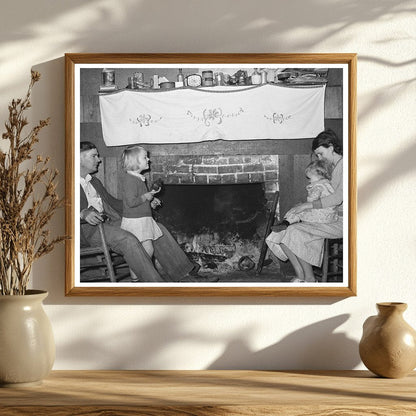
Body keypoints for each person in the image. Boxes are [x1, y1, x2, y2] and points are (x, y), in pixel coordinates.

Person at [79, 141, 218, 283]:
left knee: (157, 229)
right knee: (128, 238)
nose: (98, 159)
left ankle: (184, 275)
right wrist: (81, 213)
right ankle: (155, 285)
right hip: (88, 230)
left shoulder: (94, 181)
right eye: (94, 156)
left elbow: (116, 204)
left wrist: (146, 201)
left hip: (109, 223)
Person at [266, 129, 343, 282]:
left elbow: (338, 198)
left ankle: (309, 278)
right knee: (284, 231)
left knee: (295, 231)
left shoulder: (345, 166)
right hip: (328, 216)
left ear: (331, 147)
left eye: (321, 153)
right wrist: (304, 205)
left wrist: (308, 206)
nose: (319, 158)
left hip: (341, 221)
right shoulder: (334, 167)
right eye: (317, 155)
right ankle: (300, 275)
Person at [119, 145, 163, 264]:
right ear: (135, 161)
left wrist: (150, 200)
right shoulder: (130, 180)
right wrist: (145, 197)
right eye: (145, 157)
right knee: (146, 250)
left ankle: (137, 277)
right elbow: (131, 202)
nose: (148, 159)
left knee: (145, 250)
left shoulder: (138, 178)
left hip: (141, 219)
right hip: (136, 221)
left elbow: (139, 199)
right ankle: (143, 274)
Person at [280, 160, 338, 227]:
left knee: (298, 210)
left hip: (321, 216)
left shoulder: (318, 186)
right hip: (331, 216)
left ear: (319, 175)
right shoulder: (327, 185)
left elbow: (312, 200)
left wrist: (305, 204)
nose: (309, 181)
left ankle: (286, 222)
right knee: (301, 208)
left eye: (309, 178)